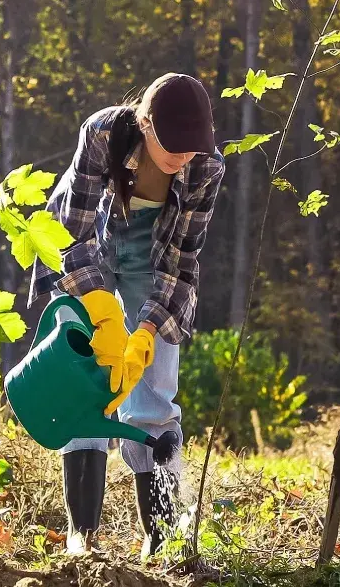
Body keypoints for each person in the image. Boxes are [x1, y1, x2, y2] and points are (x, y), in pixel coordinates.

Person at [30, 72, 224, 558]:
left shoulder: (206, 169)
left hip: (153, 260)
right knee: (87, 382)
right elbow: (67, 233)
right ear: (145, 124)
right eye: (172, 145)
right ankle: (83, 532)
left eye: (191, 148)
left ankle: (163, 535)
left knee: (154, 394)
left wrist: (145, 330)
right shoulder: (102, 134)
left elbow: (181, 262)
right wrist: (100, 309)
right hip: (89, 249)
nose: (182, 157)